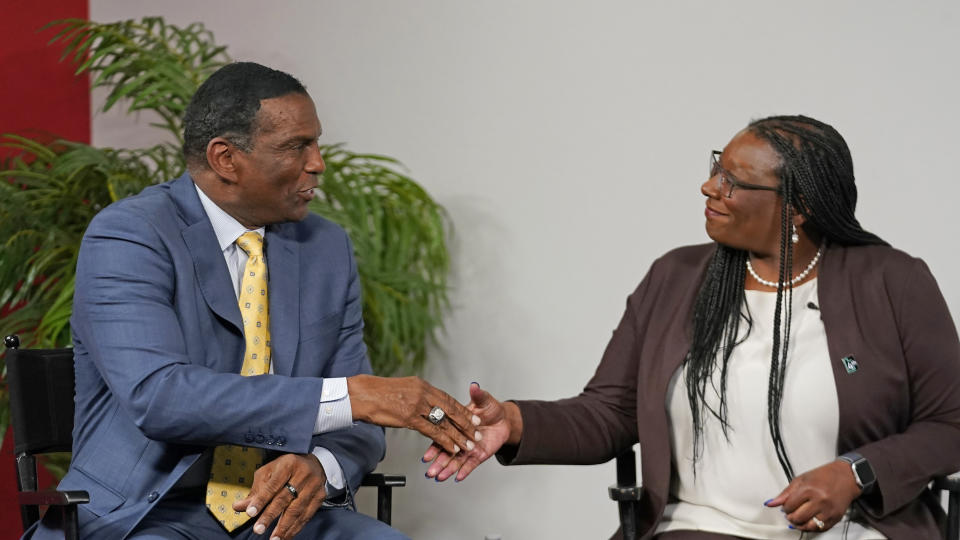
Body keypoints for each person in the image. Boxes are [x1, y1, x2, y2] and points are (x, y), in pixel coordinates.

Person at [424, 115, 960, 539]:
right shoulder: (675, 277)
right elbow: (611, 411)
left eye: (733, 182)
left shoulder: (892, 282)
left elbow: (951, 423)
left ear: (799, 207)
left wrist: (855, 472)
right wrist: (513, 423)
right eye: (715, 169)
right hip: (700, 531)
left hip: (853, 530)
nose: (709, 187)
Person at [29, 62, 480, 540]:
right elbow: (160, 397)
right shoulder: (131, 236)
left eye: (316, 142)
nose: (318, 163)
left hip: (277, 513)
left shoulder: (326, 249)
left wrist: (320, 464)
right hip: (147, 514)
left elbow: (362, 425)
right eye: (295, 146)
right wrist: (355, 396)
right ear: (225, 158)